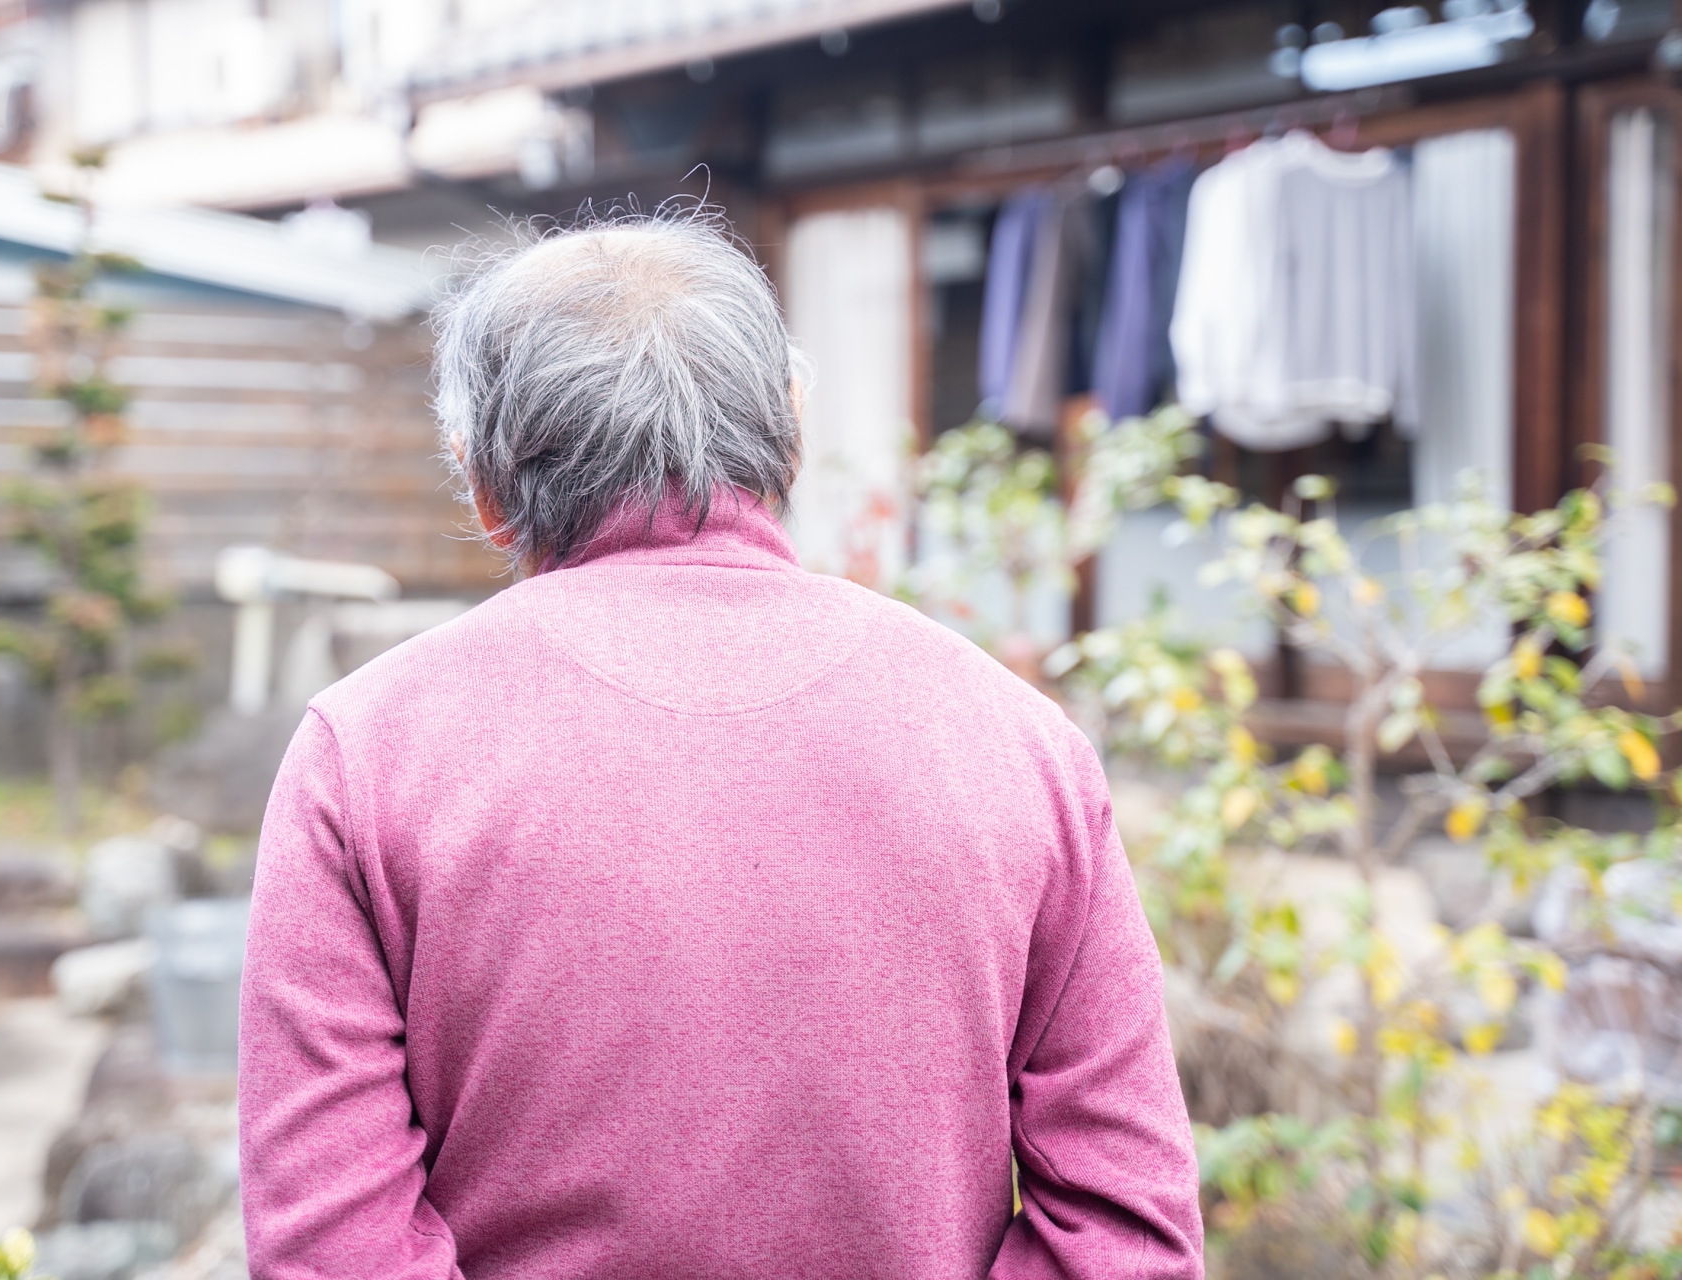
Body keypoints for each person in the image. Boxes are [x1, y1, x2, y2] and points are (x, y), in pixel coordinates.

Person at [237, 210, 1204, 1280]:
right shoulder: (1015, 741)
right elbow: (1129, 1233)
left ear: (482, 484)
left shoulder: (367, 753)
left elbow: (332, 1248)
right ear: (791, 432)